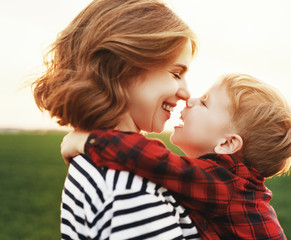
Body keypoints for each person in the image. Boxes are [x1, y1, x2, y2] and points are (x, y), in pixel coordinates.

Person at [61, 73, 291, 239]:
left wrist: (89, 140)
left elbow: (155, 161)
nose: (190, 99)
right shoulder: (231, 185)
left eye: (205, 103)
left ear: (227, 143)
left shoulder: (224, 184)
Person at [31, 0, 201, 239]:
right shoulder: (131, 190)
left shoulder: (99, 163)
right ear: (124, 67)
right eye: (176, 73)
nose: (186, 93)